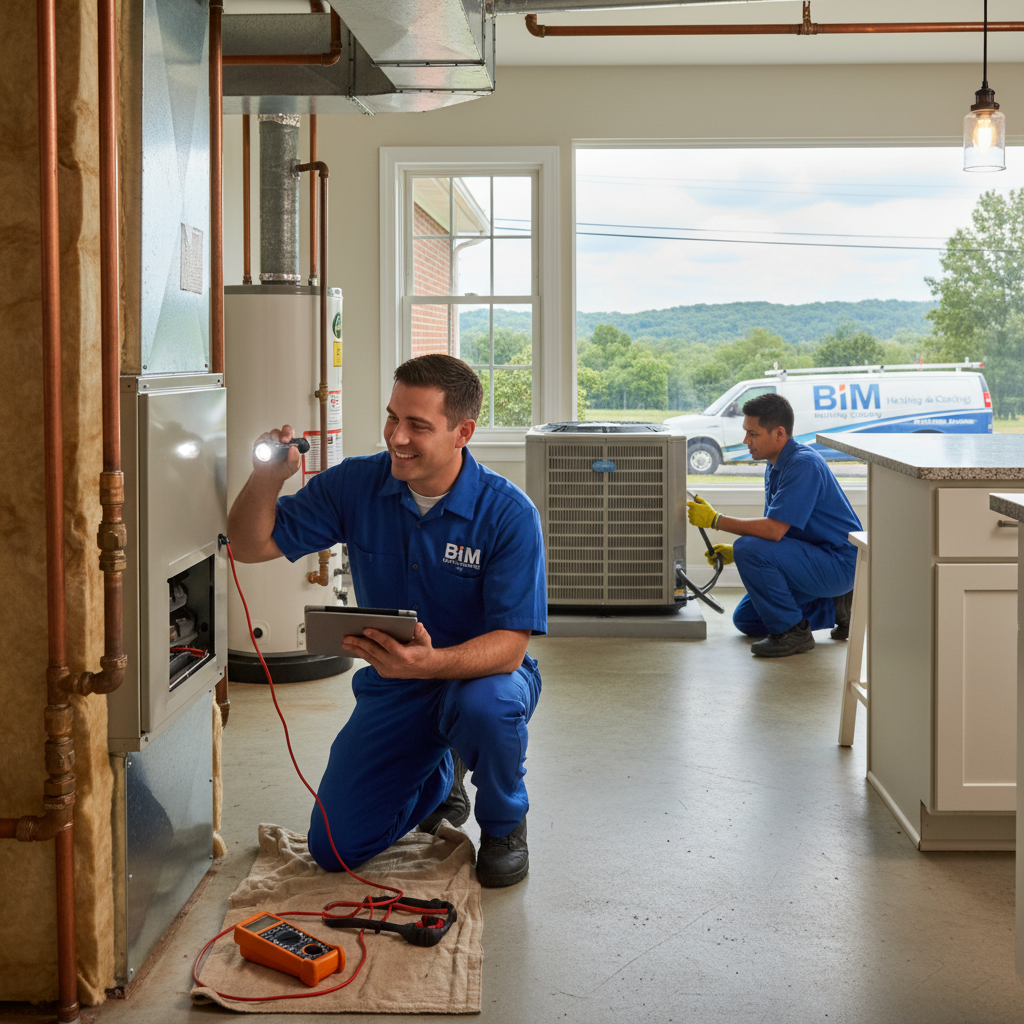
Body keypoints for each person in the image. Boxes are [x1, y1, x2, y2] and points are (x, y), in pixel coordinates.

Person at [227, 354, 546, 886]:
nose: (397, 436)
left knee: (486, 708)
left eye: (418, 425)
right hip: (396, 685)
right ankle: (440, 774)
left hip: (482, 677)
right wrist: (266, 477)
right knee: (335, 850)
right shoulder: (355, 485)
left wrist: (431, 663)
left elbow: (510, 648)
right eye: (393, 417)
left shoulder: (509, 515)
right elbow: (248, 543)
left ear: (462, 432)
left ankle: (504, 823)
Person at [685, 392, 861, 658]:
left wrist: (715, 520)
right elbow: (776, 530)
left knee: (749, 548)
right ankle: (835, 607)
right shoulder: (776, 464)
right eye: (746, 433)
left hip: (838, 563)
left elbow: (773, 530)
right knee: (747, 620)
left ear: (779, 434)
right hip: (814, 557)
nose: (746, 441)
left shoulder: (803, 465)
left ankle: (793, 634)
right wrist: (736, 552)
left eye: (753, 434)